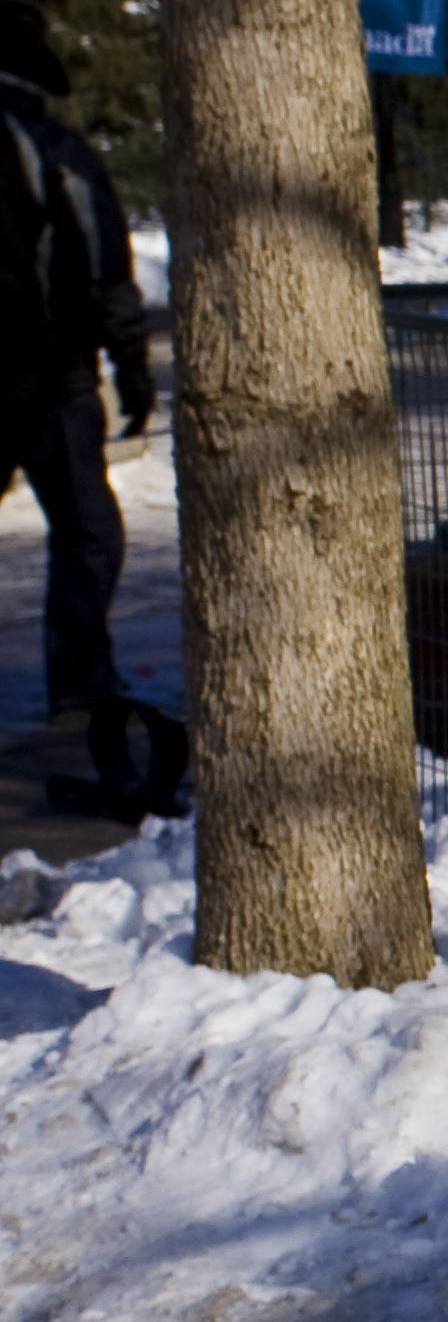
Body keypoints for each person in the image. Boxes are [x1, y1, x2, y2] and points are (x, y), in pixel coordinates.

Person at [0, 67, 176, 815]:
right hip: (47, 371)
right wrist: (129, 362)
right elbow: (106, 261)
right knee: (86, 528)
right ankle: (78, 680)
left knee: (85, 527)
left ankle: (81, 678)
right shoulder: (50, 146)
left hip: (43, 367)